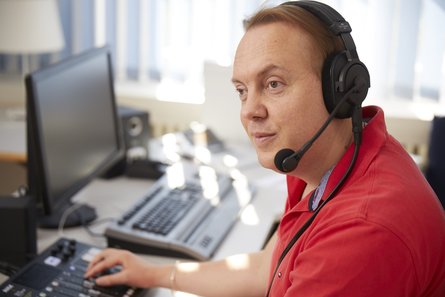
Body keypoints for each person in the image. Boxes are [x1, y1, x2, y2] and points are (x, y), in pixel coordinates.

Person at [85, 1, 445, 296]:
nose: (249, 111)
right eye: (242, 90)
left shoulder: (362, 232)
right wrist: (153, 274)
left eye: (273, 84)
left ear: (340, 89)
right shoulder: (329, 162)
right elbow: (266, 268)